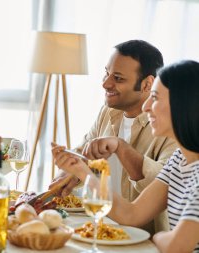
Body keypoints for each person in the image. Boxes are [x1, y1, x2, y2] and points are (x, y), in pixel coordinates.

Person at [52, 60, 199, 252]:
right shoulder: (180, 159)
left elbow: (176, 246)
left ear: (182, 105)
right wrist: (82, 170)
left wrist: (162, 237)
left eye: (154, 98)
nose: (146, 107)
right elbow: (132, 214)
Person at [50, 40, 177, 234]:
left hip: (144, 240)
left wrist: (121, 147)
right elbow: (83, 152)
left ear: (147, 84)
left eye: (117, 78)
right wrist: (69, 171)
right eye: (106, 73)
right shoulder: (108, 112)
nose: (105, 83)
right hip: (100, 229)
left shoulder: (169, 126)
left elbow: (167, 185)